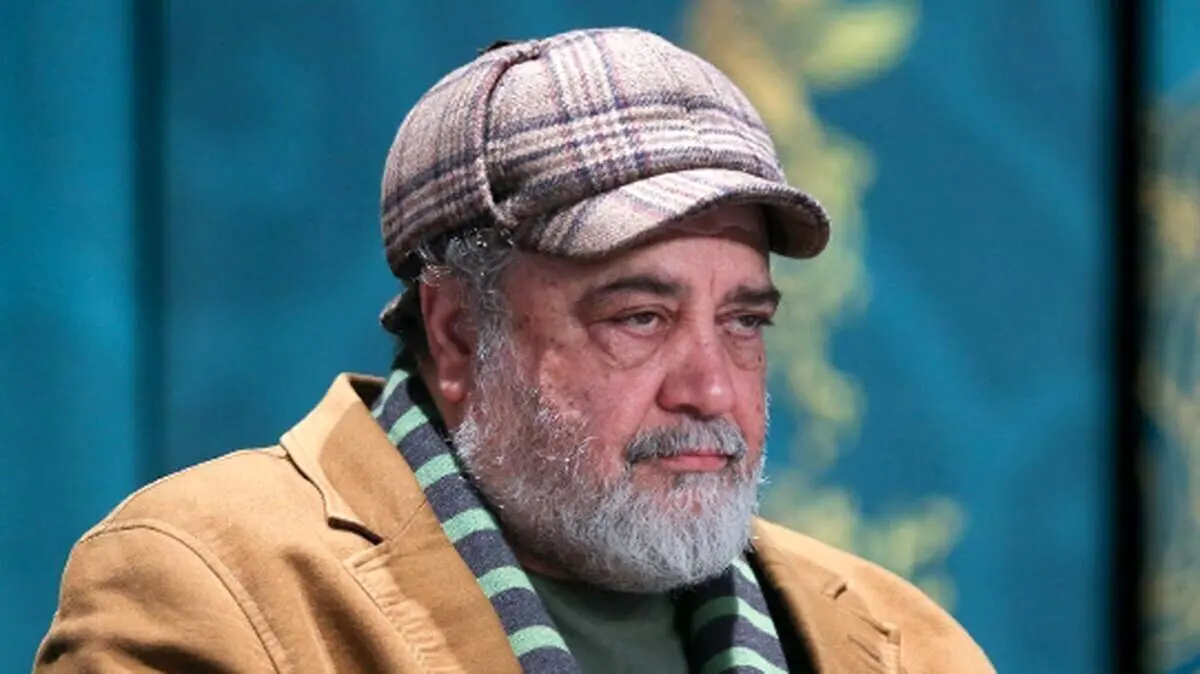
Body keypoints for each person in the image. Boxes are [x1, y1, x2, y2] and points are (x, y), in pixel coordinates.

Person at [34, 27, 993, 674]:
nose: (711, 390)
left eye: (744, 322)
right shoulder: (206, 587)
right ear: (458, 333)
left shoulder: (898, 642)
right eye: (639, 318)